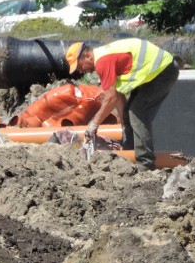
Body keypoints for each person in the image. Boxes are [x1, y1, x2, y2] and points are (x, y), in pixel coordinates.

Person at [67, 38, 179, 170]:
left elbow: (110, 99)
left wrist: (94, 123)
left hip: (163, 70)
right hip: (153, 74)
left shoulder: (103, 61)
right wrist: (124, 121)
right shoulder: (103, 59)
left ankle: (145, 163)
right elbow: (118, 96)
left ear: (87, 56)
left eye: (80, 66)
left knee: (138, 112)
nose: (80, 71)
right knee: (129, 113)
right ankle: (129, 154)